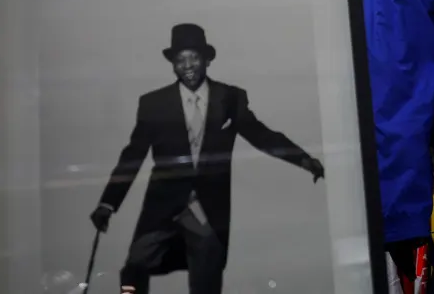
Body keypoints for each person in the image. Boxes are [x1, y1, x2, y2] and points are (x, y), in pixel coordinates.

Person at [89, 23, 324, 294]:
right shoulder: (154, 103)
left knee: (207, 271)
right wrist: (108, 203)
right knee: (135, 267)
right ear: (173, 65)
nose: (187, 66)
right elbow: (133, 154)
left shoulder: (230, 98)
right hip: (164, 203)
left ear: (207, 59)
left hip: (207, 208)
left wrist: (303, 160)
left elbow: (260, 135)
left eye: (194, 58)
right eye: (180, 60)